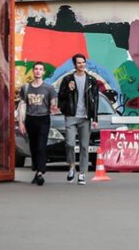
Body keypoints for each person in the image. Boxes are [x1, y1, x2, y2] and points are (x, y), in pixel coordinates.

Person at [56, 53, 99, 185]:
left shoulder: (91, 80)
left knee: (84, 146)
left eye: (83, 62)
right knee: (70, 143)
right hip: (71, 116)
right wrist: (69, 90)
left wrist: (95, 118)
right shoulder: (67, 79)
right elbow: (60, 97)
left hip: (85, 118)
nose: (81, 64)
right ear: (75, 64)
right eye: (79, 62)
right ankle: (71, 167)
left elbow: (95, 100)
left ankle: (82, 173)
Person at [17, 62, 58, 185]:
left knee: (41, 145)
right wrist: (21, 122)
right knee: (33, 147)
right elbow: (22, 105)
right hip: (30, 119)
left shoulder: (49, 88)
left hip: (43, 119)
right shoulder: (26, 88)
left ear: (43, 72)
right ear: (33, 71)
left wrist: (53, 107)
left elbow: (53, 102)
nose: (38, 71)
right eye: (36, 69)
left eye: (40, 69)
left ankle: (40, 172)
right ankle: (37, 169)